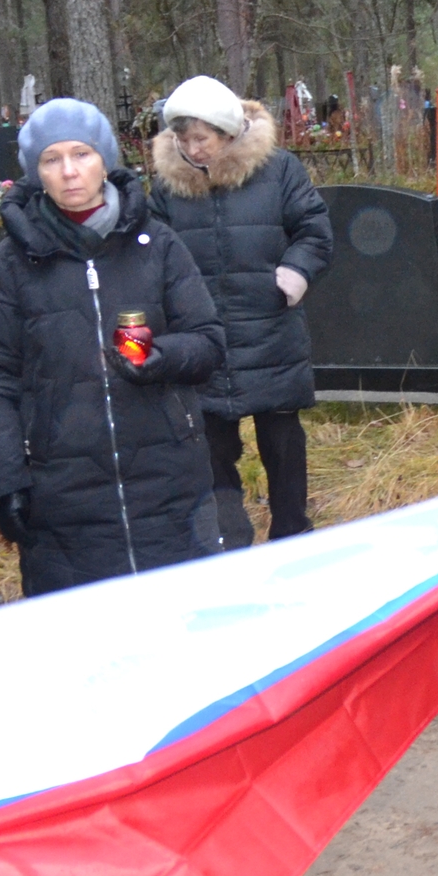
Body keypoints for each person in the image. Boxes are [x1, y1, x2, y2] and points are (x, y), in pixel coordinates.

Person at [0, 97, 226, 594]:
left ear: (105, 159)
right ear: (34, 172)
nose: (69, 171)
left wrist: (161, 358)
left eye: (81, 154)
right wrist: (5, 483)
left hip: (167, 484)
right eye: (51, 159)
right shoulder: (10, 264)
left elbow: (209, 343)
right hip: (63, 499)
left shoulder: (158, 244)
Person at [146, 74, 333, 548]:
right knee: (210, 442)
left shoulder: (279, 169)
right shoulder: (168, 188)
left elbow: (313, 229)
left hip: (269, 326)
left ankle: (293, 533)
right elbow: (153, 252)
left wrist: (296, 272)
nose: (194, 149)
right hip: (202, 335)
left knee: (282, 440)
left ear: (227, 133)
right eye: (183, 140)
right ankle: (229, 538)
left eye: (202, 138)